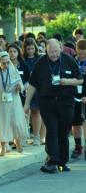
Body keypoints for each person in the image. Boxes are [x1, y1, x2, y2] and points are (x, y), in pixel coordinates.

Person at [24, 39, 83, 173]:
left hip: (66, 102)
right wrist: (26, 104)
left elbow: (80, 79)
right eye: (50, 52)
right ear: (46, 50)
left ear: (60, 48)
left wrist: (67, 81)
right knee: (52, 130)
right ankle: (52, 161)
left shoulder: (69, 60)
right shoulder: (41, 63)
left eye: (56, 51)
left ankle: (62, 162)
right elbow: (32, 85)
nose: (54, 54)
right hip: (47, 102)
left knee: (63, 132)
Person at [0, 51, 28, 156]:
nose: (6, 65)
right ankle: (2, 147)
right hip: (0, 102)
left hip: (13, 100)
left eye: (7, 62)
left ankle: (18, 143)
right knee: (1, 124)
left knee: (16, 122)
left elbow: (21, 83)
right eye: (3, 63)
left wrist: (20, 87)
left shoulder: (14, 70)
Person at [22, 38, 45, 145]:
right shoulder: (22, 60)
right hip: (25, 90)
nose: (30, 51)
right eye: (28, 49)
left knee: (36, 113)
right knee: (26, 114)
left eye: (32, 48)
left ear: (35, 48)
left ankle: (37, 136)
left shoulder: (40, 59)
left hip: (38, 89)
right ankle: (24, 136)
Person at [71, 39, 86, 159]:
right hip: (74, 95)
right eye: (80, 53)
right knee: (75, 123)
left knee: (85, 123)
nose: (81, 55)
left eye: (84, 53)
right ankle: (78, 146)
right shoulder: (72, 61)